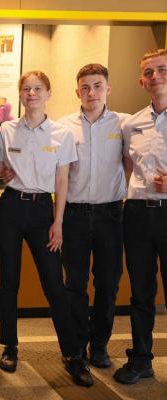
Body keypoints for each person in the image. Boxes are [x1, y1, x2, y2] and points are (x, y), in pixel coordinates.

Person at [0, 71, 92, 386]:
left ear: (48, 93)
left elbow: (62, 181)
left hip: (42, 212)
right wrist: (0, 173)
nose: (31, 93)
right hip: (10, 208)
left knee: (54, 284)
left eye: (37, 88)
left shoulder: (62, 133)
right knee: (9, 281)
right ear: (20, 94)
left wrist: (58, 223)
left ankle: (72, 354)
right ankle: (9, 346)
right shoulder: (7, 129)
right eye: (26, 88)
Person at [59, 64, 127, 368]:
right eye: (85, 87)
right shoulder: (63, 127)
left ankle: (99, 345)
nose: (91, 92)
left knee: (108, 283)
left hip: (110, 215)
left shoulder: (123, 124)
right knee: (74, 284)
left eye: (98, 86)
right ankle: (76, 345)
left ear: (108, 89)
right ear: (77, 92)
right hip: (73, 214)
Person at [114, 48, 167, 385]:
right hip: (136, 215)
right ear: (141, 81)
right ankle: (142, 359)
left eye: (162, 69)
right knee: (141, 292)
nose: (155, 76)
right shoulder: (131, 123)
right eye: (149, 72)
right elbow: (126, 166)